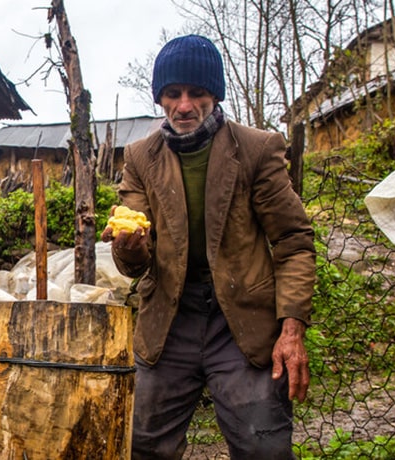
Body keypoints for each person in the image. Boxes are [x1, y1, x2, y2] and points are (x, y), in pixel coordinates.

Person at [101, 34, 316, 459]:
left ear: (214, 95)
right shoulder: (141, 156)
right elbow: (134, 265)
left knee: (264, 446)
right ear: (160, 98)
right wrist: (128, 246)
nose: (184, 106)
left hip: (239, 319)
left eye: (196, 93)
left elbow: (292, 240)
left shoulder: (255, 149)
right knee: (141, 443)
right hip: (169, 316)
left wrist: (291, 329)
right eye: (173, 94)